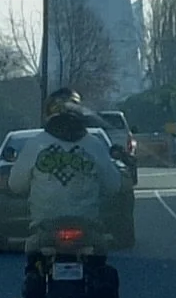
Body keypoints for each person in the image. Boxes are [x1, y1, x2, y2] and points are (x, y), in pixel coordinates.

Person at [7, 87, 125, 234]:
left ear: (49, 114)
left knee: (33, 249)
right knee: (98, 250)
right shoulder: (94, 145)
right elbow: (113, 186)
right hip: (87, 221)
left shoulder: (35, 144)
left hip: (44, 223)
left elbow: (16, 185)